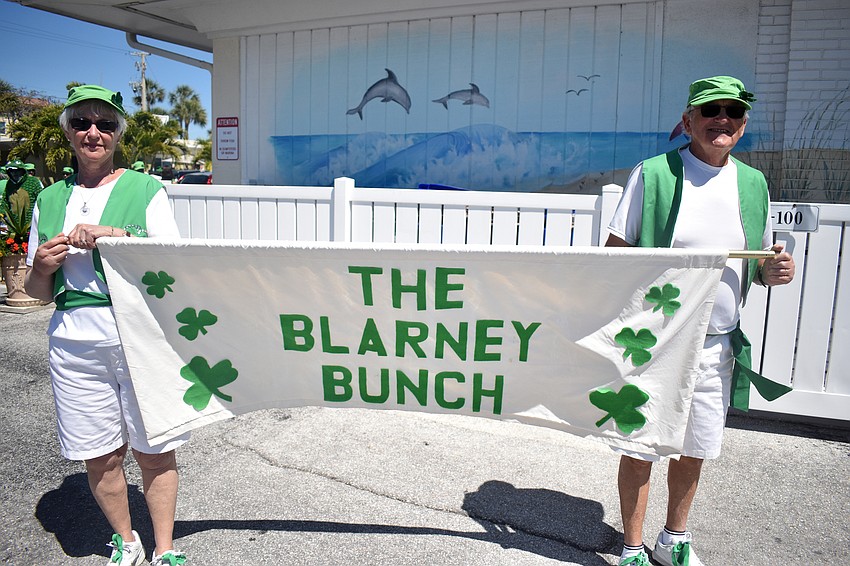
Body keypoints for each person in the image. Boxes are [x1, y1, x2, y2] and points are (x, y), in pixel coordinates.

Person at [605, 76, 796, 566]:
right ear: (688, 120)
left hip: (716, 346)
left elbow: (758, 264)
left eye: (733, 111)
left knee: (696, 447)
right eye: (710, 110)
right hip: (653, 343)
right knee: (642, 445)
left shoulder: (753, 184)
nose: (722, 120)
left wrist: (774, 270)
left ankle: (674, 541)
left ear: (743, 123)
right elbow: (614, 256)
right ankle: (631, 549)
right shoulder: (654, 175)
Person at [24, 85, 189, 566]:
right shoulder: (50, 198)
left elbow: (173, 263)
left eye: (104, 124)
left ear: (118, 133)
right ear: (69, 133)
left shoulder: (144, 189)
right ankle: (127, 539)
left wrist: (114, 234)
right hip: (74, 338)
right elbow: (38, 294)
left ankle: (165, 547)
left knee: (154, 448)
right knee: (99, 452)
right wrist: (40, 266)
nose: (92, 132)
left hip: (139, 330)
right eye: (81, 123)